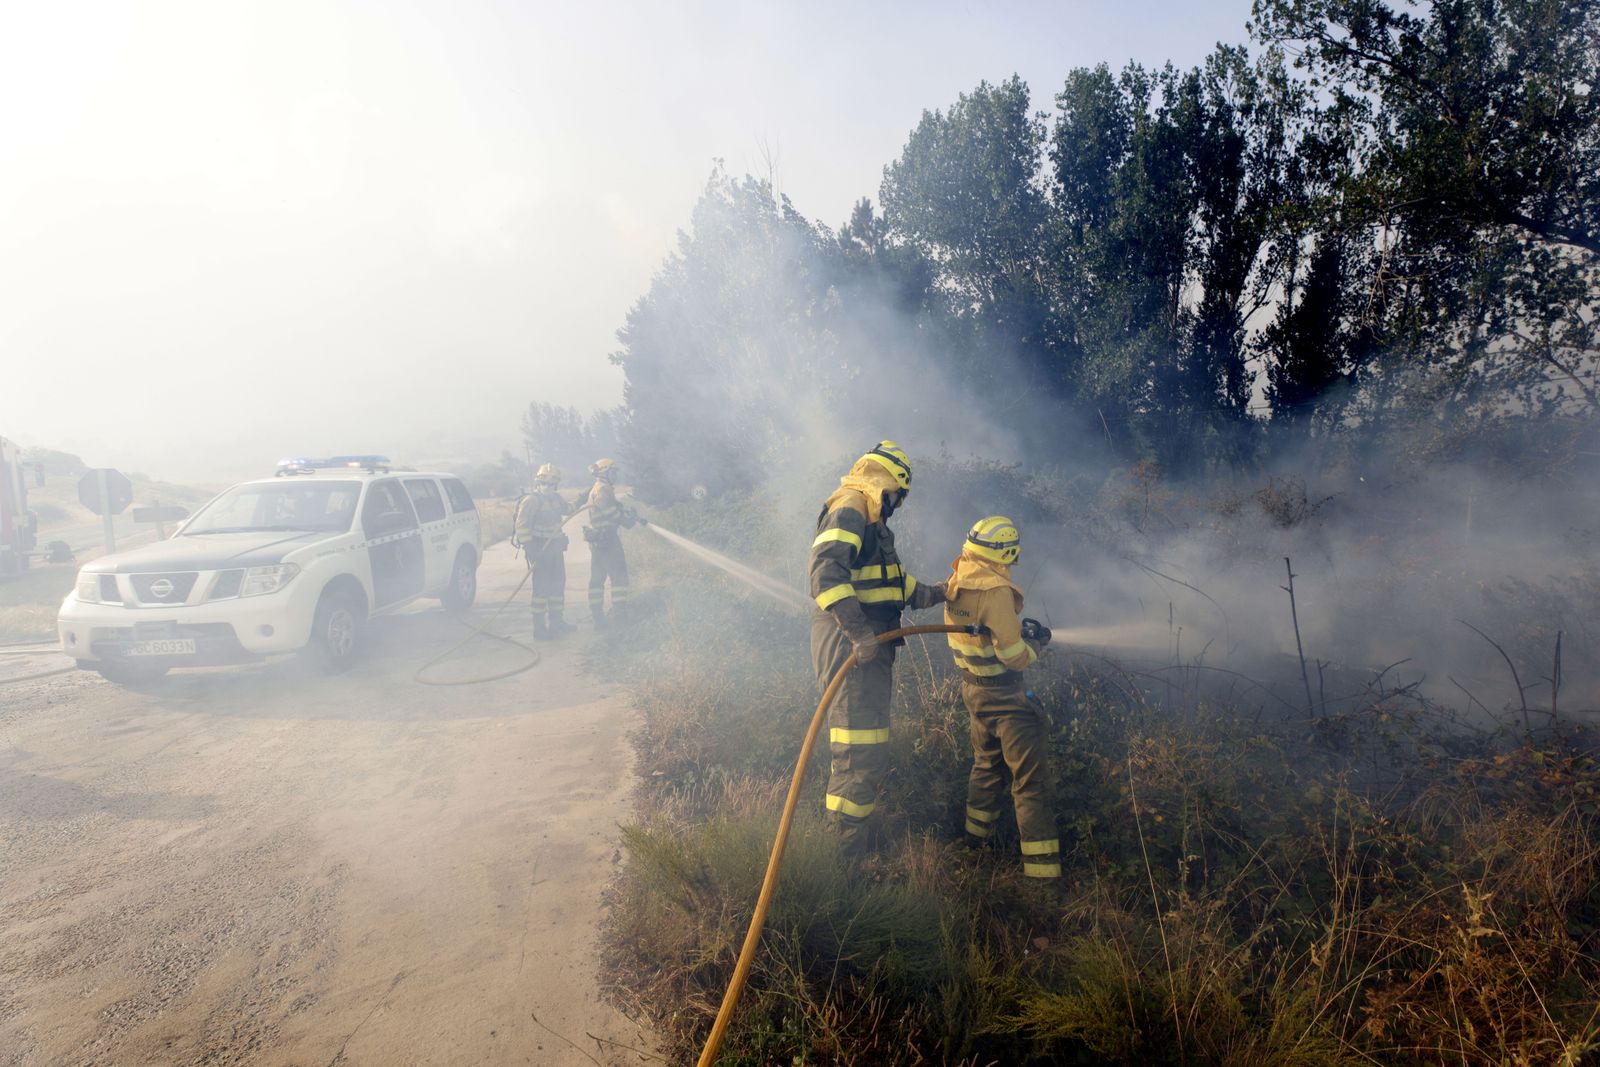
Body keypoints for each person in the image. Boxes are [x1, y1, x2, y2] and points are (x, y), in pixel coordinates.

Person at [808, 441, 945, 859]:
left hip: (868, 644)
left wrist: (940, 592)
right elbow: (825, 576)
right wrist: (859, 634)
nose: (897, 506)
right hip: (854, 645)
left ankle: (848, 844)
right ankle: (843, 861)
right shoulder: (851, 507)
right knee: (857, 753)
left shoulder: (871, 518)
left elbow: (895, 587)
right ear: (887, 484)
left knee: (864, 750)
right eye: (896, 497)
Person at [943, 516, 1060, 880]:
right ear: (1005, 553)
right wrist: (1036, 645)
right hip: (1007, 698)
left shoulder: (959, 577)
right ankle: (1043, 883)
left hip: (974, 692)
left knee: (985, 767)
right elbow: (1012, 654)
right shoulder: (995, 590)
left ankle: (974, 847)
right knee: (1029, 784)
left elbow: (982, 632)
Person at [512, 463, 573, 640]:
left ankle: (557, 622)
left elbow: (568, 509)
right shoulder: (531, 500)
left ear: (556, 484)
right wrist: (531, 550)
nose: (548, 487)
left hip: (555, 550)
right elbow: (522, 527)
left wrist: (585, 498)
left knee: (557, 585)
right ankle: (539, 629)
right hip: (540, 550)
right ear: (538, 483)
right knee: (541, 590)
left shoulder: (556, 499)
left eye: (552, 483)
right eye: (544, 483)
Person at [583, 458, 639, 627]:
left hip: (598, 541)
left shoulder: (599, 488)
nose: (615, 475)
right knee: (619, 579)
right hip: (608, 540)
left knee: (597, 580)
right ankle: (620, 616)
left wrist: (623, 510)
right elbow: (610, 513)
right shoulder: (604, 489)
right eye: (613, 472)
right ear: (604, 472)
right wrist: (627, 521)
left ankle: (598, 618)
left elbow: (611, 508)